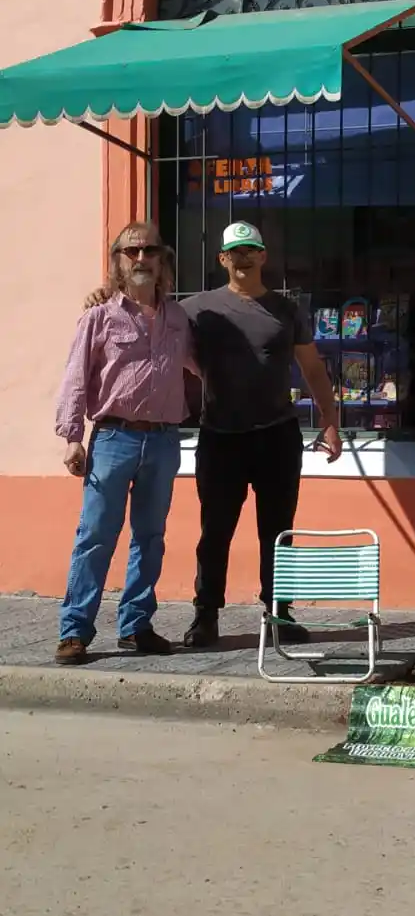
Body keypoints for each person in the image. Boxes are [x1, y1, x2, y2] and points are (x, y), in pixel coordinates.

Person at [85, 221, 343, 648]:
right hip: (220, 436)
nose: (242, 257)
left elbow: (313, 369)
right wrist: (103, 294)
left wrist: (330, 422)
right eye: (234, 251)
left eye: (250, 250)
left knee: (279, 530)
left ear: (262, 256)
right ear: (222, 259)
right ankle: (206, 615)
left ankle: (279, 613)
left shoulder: (286, 310)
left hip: (278, 435)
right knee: (216, 531)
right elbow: (142, 306)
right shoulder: (195, 310)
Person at [56, 222, 197, 664]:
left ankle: (136, 626)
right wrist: (72, 438)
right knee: (95, 535)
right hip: (113, 438)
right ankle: (74, 631)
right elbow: (76, 378)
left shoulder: (178, 318)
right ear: (118, 261)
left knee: (151, 537)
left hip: (163, 441)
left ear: (163, 260)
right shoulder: (98, 316)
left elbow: (200, 367)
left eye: (149, 250)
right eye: (130, 251)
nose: (140, 258)